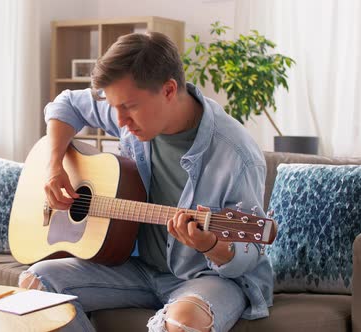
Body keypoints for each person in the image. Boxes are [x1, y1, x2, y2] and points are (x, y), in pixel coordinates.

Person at [18, 32, 273, 332]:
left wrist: (212, 246)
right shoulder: (131, 112)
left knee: (183, 324)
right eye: (113, 107)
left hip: (208, 278)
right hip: (134, 267)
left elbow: (249, 252)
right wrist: (53, 166)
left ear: (168, 90)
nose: (119, 120)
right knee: (36, 285)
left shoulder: (238, 154)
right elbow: (64, 105)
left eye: (129, 107)